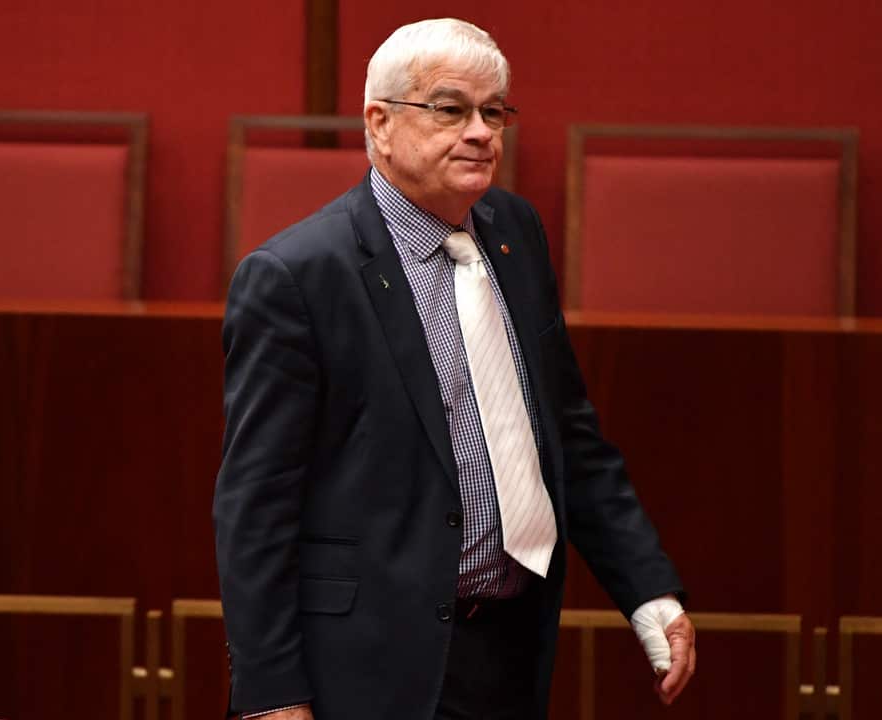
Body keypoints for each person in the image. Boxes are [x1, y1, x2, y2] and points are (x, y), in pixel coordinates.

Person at [214, 17, 695, 720]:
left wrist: (648, 591)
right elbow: (254, 507)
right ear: (379, 123)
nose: (480, 132)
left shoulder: (515, 232)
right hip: (363, 670)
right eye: (450, 109)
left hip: (506, 650)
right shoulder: (296, 277)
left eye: (493, 111)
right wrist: (272, 694)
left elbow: (566, 436)